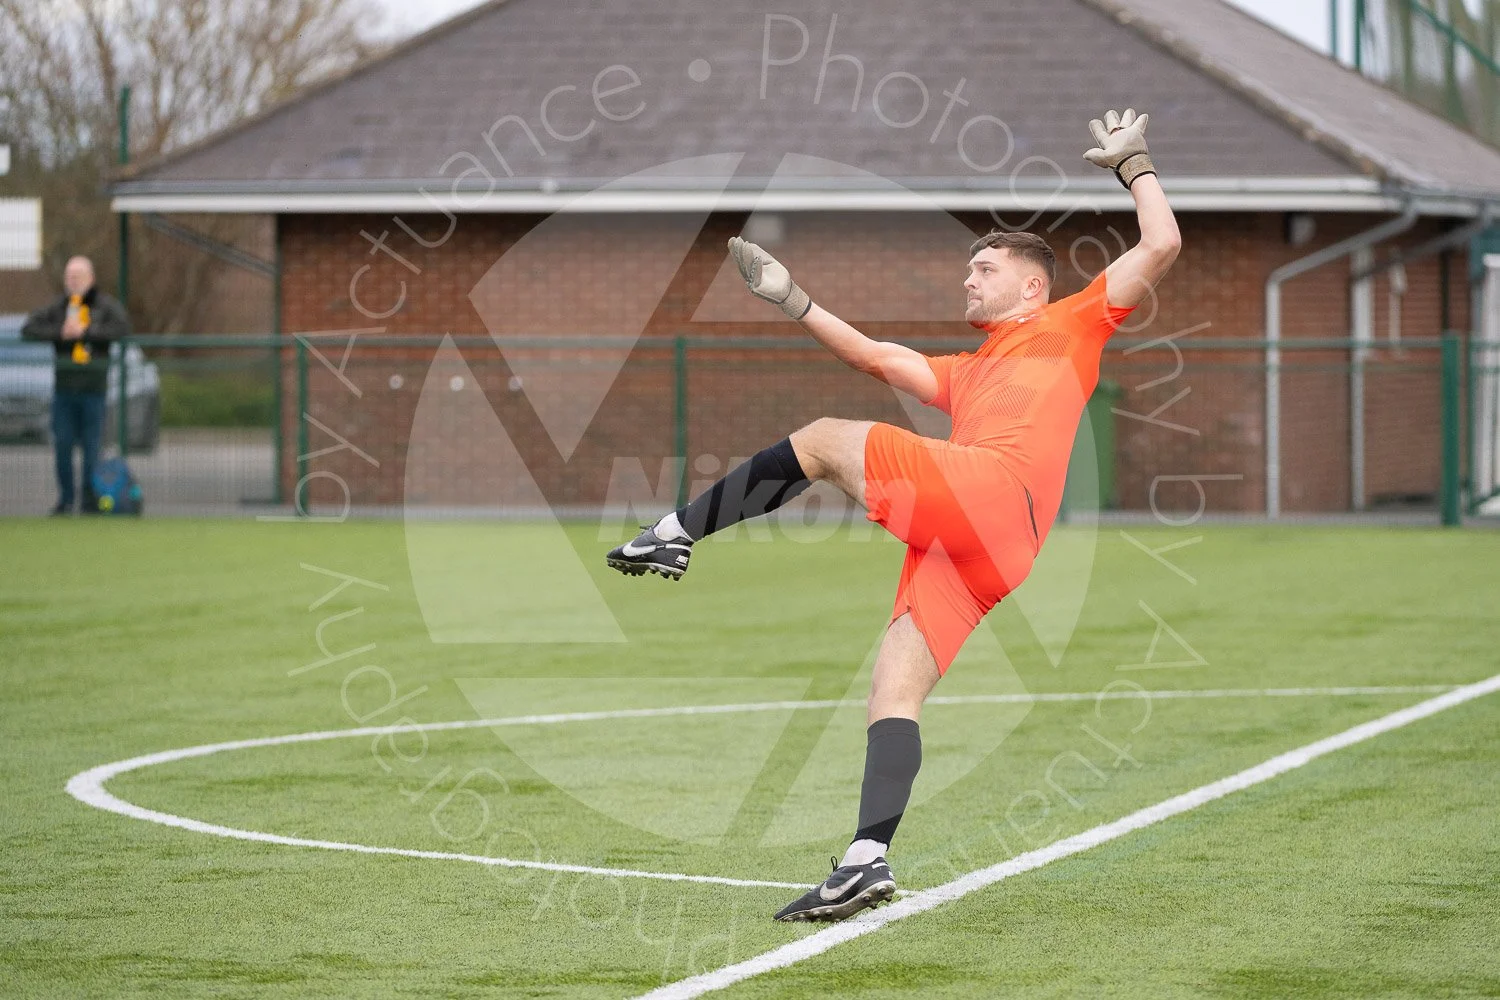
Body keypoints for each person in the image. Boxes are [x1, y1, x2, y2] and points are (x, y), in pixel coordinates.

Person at [607, 109, 1180, 921]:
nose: (969, 279)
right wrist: (794, 298)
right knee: (893, 691)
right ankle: (867, 859)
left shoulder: (1070, 321)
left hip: (994, 493)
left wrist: (1136, 167)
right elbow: (876, 356)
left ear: (1030, 285)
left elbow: (1161, 246)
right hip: (988, 549)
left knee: (825, 438)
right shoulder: (968, 371)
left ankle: (675, 533)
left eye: (984, 268)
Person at [22, 256, 132, 515]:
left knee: (92, 447)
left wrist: (87, 332)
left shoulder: (105, 306)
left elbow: (122, 328)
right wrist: (60, 333)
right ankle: (66, 500)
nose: (73, 280)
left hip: (94, 389)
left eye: (78, 275)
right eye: (69, 275)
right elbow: (29, 328)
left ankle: (89, 500)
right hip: (64, 390)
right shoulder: (58, 307)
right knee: (62, 444)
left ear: (90, 278)